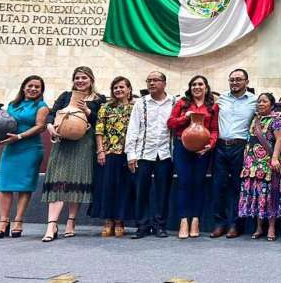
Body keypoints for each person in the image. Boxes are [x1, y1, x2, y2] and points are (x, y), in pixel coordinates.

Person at [42, 66, 106, 242]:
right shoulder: (65, 96)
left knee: (76, 181)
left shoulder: (99, 99)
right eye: (77, 78)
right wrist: (49, 126)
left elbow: (101, 122)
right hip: (62, 144)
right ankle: (51, 224)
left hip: (84, 144)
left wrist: (87, 110)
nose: (80, 81)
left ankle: (71, 221)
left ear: (91, 80)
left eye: (84, 78)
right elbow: (51, 114)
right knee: (58, 181)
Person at [0, 75, 49, 238]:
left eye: (37, 87)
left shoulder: (42, 106)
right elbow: (3, 121)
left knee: (24, 187)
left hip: (30, 149)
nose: (33, 89)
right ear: (23, 87)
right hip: (11, 149)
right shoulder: (13, 104)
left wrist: (19, 137)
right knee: (4, 186)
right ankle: (3, 222)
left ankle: (18, 221)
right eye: (30, 85)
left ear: (41, 90)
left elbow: (40, 127)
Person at [125, 71, 176, 239]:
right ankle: (142, 226)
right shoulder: (141, 103)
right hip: (143, 153)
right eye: (149, 80)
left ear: (164, 83)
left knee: (163, 191)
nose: (152, 83)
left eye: (156, 80)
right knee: (141, 191)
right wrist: (131, 154)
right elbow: (133, 129)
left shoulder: (174, 102)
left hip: (165, 154)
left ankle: (160, 225)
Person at [167, 75, 219, 239]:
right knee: (184, 183)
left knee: (198, 183)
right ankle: (183, 220)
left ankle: (195, 219)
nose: (197, 87)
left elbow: (215, 130)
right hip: (182, 148)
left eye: (200, 84)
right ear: (190, 88)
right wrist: (185, 117)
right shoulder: (182, 103)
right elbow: (170, 123)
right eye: (194, 84)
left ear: (206, 87)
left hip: (202, 151)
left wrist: (210, 145)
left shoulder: (213, 107)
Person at [212, 68, 256, 239]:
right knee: (218, 187)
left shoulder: (254, 101)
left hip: (241, 147)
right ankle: (219, 224)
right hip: (221, 146)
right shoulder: (221, 99)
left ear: (247, 82)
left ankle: (236, 225)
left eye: (239, 79)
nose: (235, 82)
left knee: (239, 187)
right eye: (232, 80)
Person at [89, 76, 135, 237]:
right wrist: (100, 150)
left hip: (127, 154)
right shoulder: (105, 107)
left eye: (122, 87)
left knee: (123, 188)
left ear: (129, 89)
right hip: (108, 153)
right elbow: (99, 130)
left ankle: (119, 220)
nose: (118, 90)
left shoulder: (134, 108)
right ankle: (108, 220)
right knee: (107, 187)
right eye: (115, 87)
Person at [237, 92, 281, 241]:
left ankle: (271, 227)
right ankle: (258, 227)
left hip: (268, 162)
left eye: (264, 101)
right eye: (259, 101)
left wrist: (275, 158)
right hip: (252, 164)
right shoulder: (254, 119)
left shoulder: (277, 120)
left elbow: (279, 140)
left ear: (272, 105)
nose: (260, 104)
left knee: (270, 195)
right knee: (257, 195)